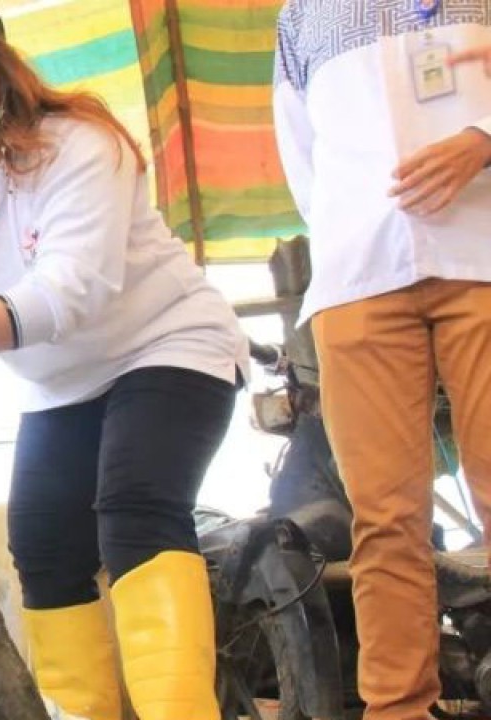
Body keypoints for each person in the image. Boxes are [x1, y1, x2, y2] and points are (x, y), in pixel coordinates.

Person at [0, 1, 249, 718]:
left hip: (166, 345)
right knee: (41, 544)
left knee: (133, 510)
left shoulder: (77, 146)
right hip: (60, 385)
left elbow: (70, 292)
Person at [273, 3, 491, 718]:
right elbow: (303, 155)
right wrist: (357, 224)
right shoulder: (301, 15)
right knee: (385, 517)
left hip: (484, 252)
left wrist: (482, 139)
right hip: (360, 273)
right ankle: (398, 708)